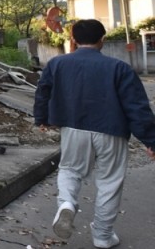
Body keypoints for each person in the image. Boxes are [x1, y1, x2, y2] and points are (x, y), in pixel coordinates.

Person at [34, 19, 155, 248]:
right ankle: (102, 235)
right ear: (102, 40)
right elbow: (136, 106)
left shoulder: (57, 64)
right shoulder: (119, 68)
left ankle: (67, 203)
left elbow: (43, 92)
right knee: (109, 182)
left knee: (70, 170)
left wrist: (42, 118)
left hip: (72, 129)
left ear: (73, 40)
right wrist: (151, 140)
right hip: (112, 130)